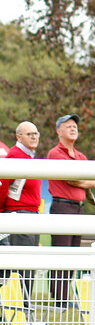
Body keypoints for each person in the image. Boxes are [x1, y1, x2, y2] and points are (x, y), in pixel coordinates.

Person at [47, 114, 95, 306]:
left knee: (74, 252)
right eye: (68, 126)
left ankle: (66, 296)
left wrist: (81, 181)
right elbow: (70, 178)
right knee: (62, 252)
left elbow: (92, 181)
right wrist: (82, 181)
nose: (73, 128)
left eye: (75, 126)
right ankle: (60, 298)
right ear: (58, 131)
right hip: (63, 206)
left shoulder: (80, 155)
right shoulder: (55, 153)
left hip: (78, 208)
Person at [0, 122, 42, 296]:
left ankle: (24, 309)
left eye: (36, 133)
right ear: (19, 137)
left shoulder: (27, 156)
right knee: (20, 266)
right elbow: (3, 187)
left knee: (27, 265)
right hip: (18, 214)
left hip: (30, 214)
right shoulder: (15, 156)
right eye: (29, 134)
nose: (34, 136)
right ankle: (21, 309)